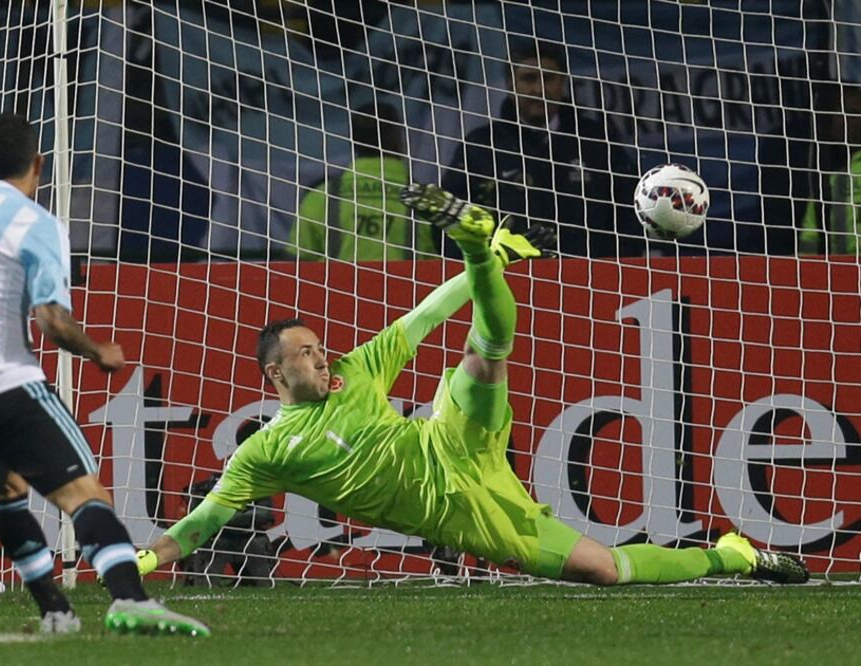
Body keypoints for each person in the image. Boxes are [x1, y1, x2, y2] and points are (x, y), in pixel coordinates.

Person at [132, 182, 809, 587]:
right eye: (307, 354)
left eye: (320, 346)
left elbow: (426, 314)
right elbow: (198, 525)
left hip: (451, 440)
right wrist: (140, 561)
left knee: (485, 354)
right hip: (464, 516)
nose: (323, 356)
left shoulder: (360, 369)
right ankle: (731, 556)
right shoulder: (263, 453)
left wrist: (497, 257)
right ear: (276, 374)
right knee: (603, 570)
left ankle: (475, 243)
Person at [0, 113, 209, 636]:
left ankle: (55, 610)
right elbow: (52, 321)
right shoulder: (34, 221)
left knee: (5, 491)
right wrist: (99, 352)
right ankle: (131, 598)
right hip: (5, 385)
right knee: (83, 496)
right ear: (38, 165)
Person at [441, 38, 644, 258]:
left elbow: (630, 212)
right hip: (509, 282)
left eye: (548, 78)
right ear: (510, 85)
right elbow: (450, 225)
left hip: (590, 280)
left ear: (562, 83)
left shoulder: (596, 140)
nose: (539, 89)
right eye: (528, 78)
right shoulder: (481, 146)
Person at [287, 102, 436, 261]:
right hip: (414, 286)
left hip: (338, 286)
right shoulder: (429, 202)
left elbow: (298, 265)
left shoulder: (320, 198)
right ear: (398, 139)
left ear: (353, 141)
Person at [798, 85, 861, 255]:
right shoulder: (825, 179)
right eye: (839, 112)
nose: (843, 119)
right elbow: (809, 237)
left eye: (853, 113)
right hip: (841, 273)